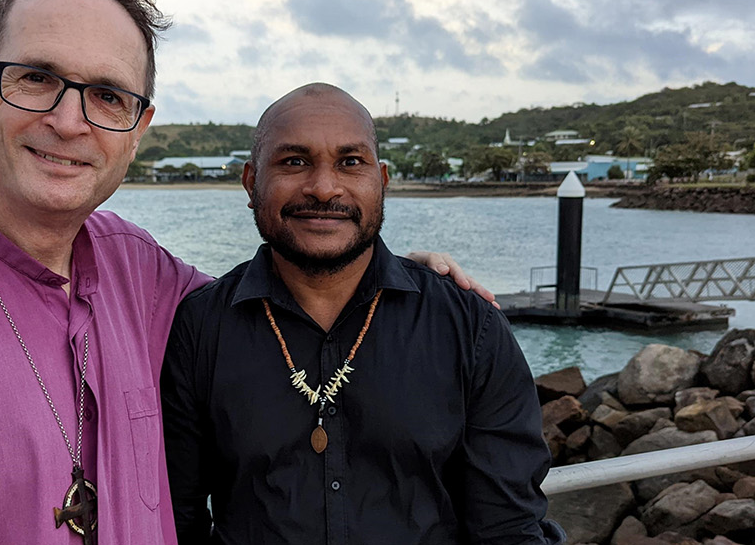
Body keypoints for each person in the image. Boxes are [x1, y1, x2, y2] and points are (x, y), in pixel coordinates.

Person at [0, 0, 491, 545]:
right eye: (38, 77)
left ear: (138, 127)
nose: (70, 120)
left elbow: (288, 300)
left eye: (108, 95)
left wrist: (393, 274)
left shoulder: (149, 278)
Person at [162, 83, 564, 545]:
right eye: (294, 161)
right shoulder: (200, 328)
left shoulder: (469, 326)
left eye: (351, 162)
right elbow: (176, 517)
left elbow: (506, 527)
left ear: (383, 181)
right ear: (252, 183)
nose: (325, 187)